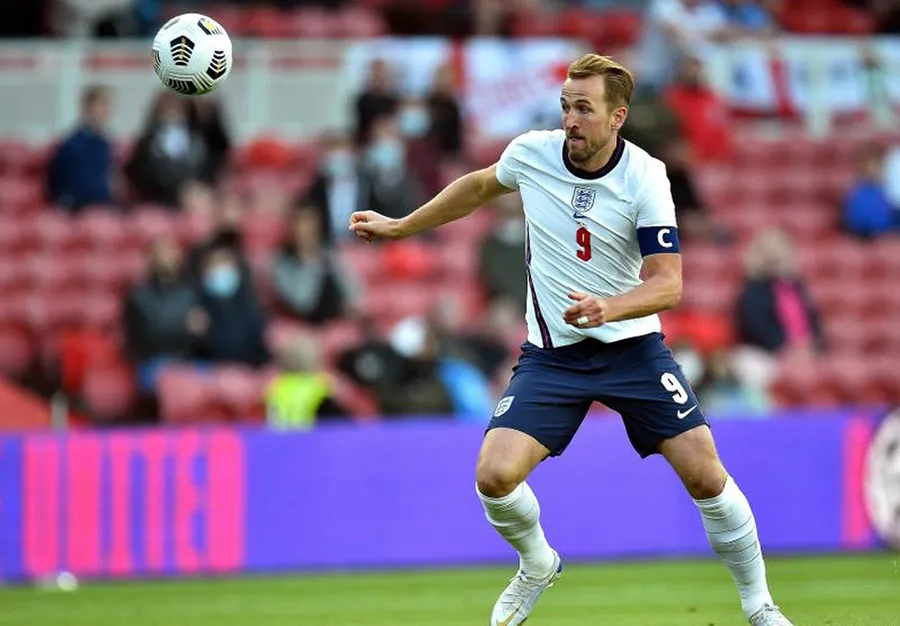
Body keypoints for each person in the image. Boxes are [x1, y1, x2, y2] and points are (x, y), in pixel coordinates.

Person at [348, 54, 794, 626]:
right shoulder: (531, 154)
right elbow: (479, 186)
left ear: (617, 118)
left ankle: (760, 606)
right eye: (566, 106)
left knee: (707, 475)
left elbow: (668, 284)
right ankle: (537, 563)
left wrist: (610, 306)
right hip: (554, 356)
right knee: (494, 476)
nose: (570, 119)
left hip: (633, 349)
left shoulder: (645, 176)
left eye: (584, 108)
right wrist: (402, 225)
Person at [47, 85, 115, 211]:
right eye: (100, 105)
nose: (104, 111)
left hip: (104, 208)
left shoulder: (105, 143)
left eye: (106, 105)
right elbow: (58, 182)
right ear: (87, 108)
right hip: (78, 208)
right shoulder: (72, 144)